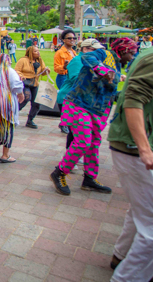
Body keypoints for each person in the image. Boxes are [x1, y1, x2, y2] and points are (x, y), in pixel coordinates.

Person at [49, 40, 137, 196]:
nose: (132, 56)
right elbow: (87, 57)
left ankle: (89, 179)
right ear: (123, 51)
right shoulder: (104, 54)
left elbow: (106, 90)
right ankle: (59, 173)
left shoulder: (117, 66)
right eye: (131, 52)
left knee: (94, 143)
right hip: (79, 104)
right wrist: (103, 70)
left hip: (97, 110)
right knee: (83, 142)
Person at [107, 47, 153, 282]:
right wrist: (145, 148)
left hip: (131, 145)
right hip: (134, 147)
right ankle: (125, 280)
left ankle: (121, 257)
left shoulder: (145, 54)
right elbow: (133, 97)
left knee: (141, 211)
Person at [57, 39, 105, 154]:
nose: (98, 52)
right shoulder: (78, 61)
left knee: (80, 131)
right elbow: (76, 79)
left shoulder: (92, 61)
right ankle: (70, 157)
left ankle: (72, 157)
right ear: (85, 49)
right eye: (95, 50)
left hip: (82, 100)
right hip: (69, 98)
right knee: (76, 131)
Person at [14, 46, 51, 129]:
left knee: (37, 103)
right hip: (25, 82)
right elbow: (16, 70)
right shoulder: (23, 60)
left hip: (35, 83)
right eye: (35, 51)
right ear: (30, 52)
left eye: (38, 51)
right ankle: (13, 113)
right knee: (26, 97)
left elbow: (42, 72)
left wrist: (47, 71)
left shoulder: (39, 61)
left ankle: (30, 120)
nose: (38, 52)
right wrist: (21, 75)